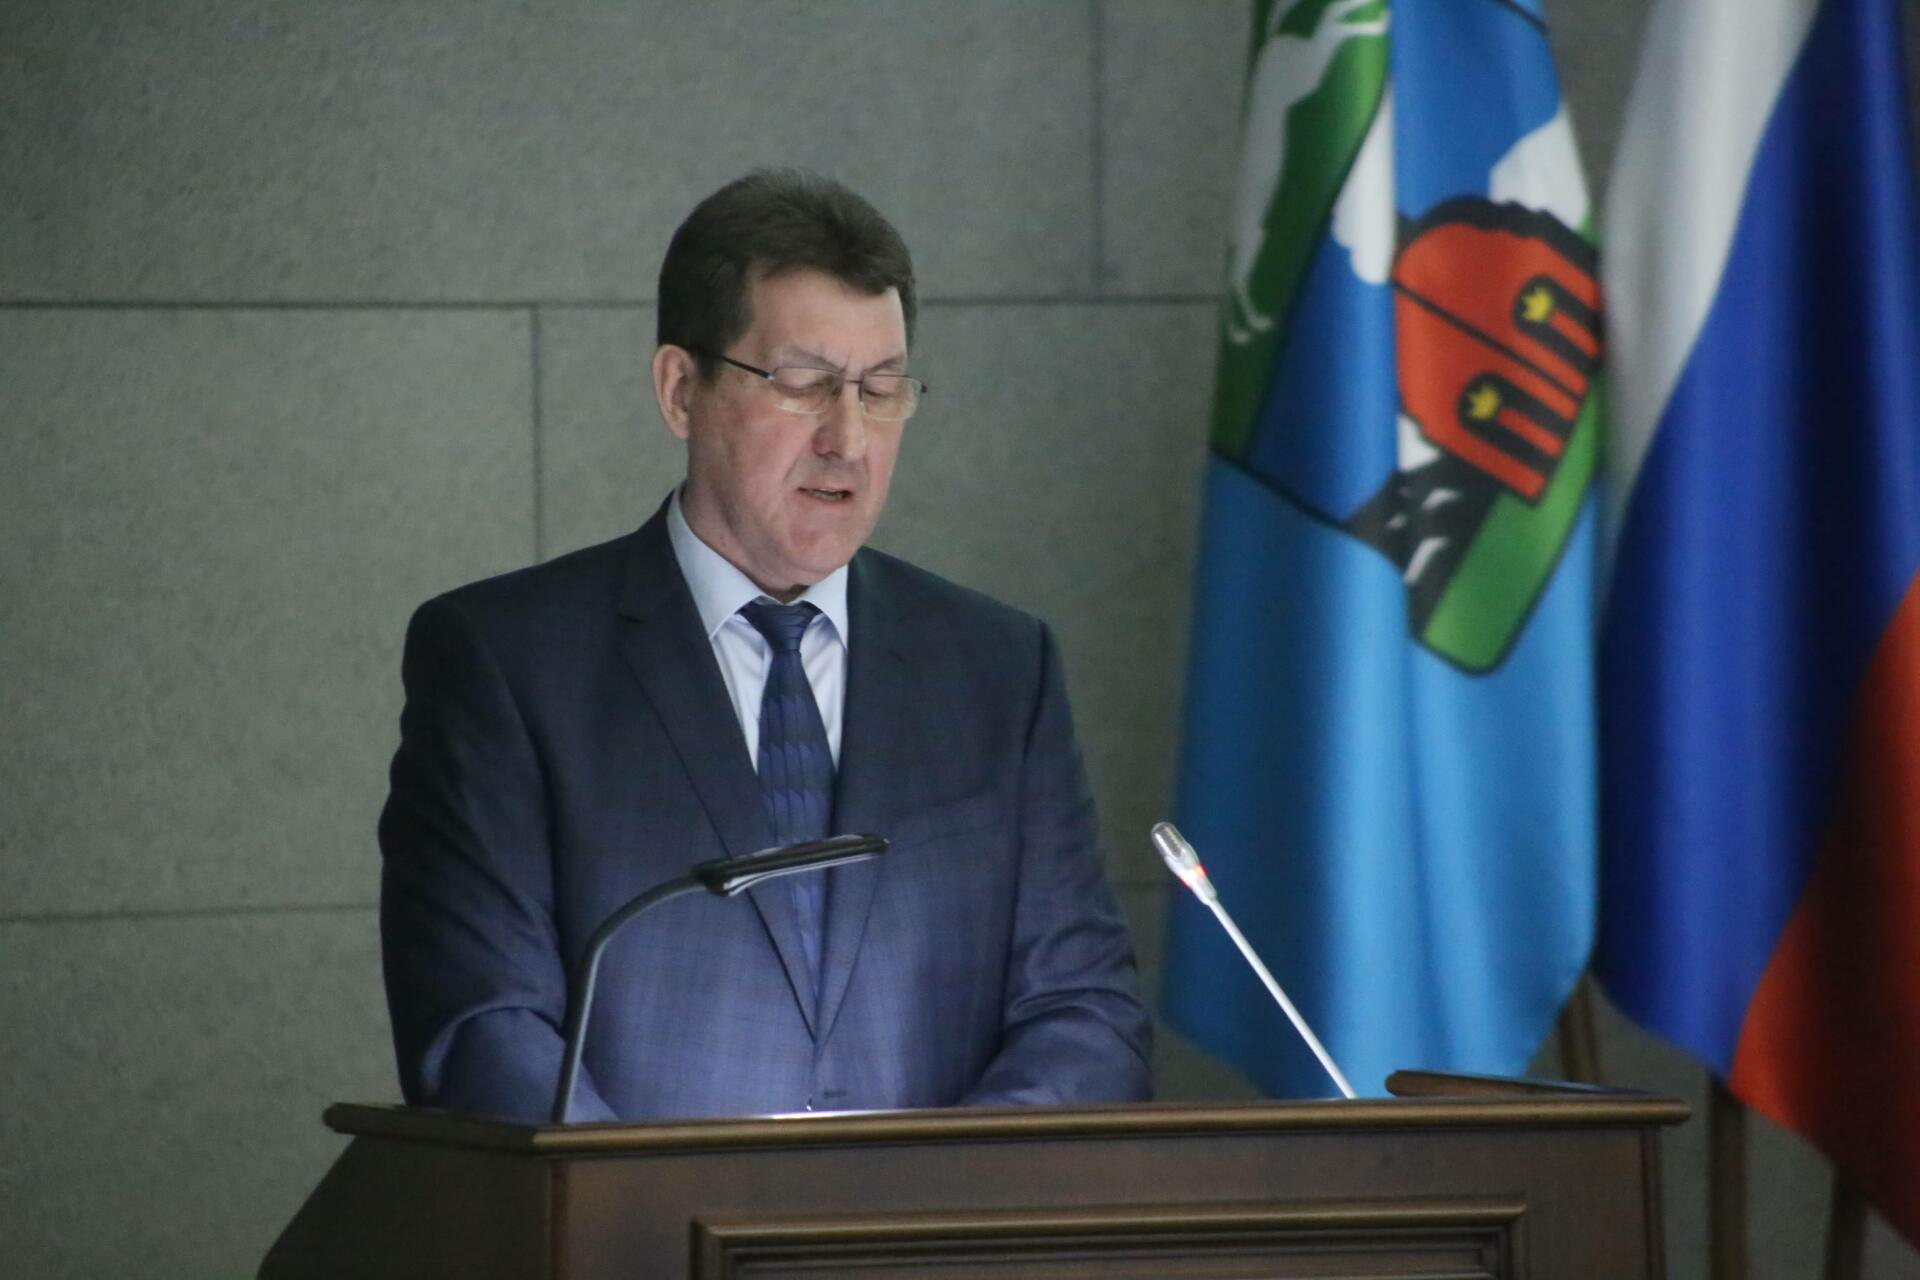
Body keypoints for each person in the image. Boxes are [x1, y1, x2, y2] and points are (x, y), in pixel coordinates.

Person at [378, 170, 1151, 1123]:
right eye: (804, 385)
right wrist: (668, 1202)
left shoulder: (999, 668)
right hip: (638, 1217)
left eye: (881, 389)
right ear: (680, 390)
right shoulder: (507, 663)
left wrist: (937, 1193)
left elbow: (1085, 1015)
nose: (848, 438)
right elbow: (482, 1027)